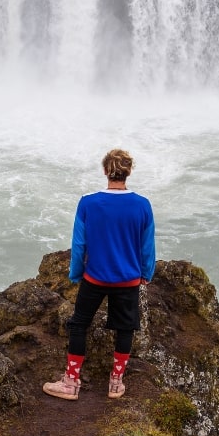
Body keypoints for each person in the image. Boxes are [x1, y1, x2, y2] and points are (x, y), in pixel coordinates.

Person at [43, 148, 155, 401]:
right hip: (128, 279)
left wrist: (76, 273)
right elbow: (147, 246)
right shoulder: (142, 205)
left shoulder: (88, 203)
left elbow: (79, 244)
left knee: (79, 324)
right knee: (125, 328)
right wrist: (146, 272)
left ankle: (71, 382)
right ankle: (116, 383)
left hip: (94, 278)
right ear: (128, 172)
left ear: (105, 171)